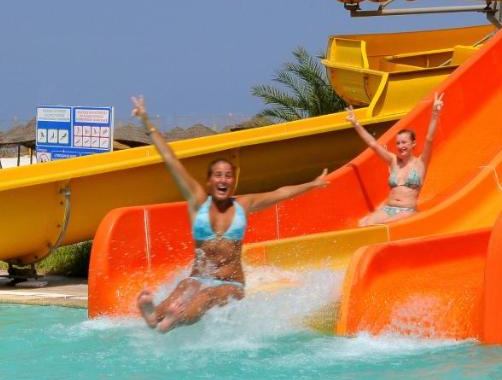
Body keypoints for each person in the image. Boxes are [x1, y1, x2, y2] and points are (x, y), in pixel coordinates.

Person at [131, 95, 330, 332]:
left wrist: (312, 184)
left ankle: (174, 320)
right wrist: (146, 122)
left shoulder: (243, 205)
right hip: (198, 277)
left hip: (231, 284)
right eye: (218, 175)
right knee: (184, 287)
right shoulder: (198, 201)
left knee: (206, 296)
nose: (223, 180)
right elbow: (171, 161)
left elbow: (280, 193)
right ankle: (155, 316)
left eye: (228, 176)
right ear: (209, 181)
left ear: (233, 182)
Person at [346, 93, 444, 225]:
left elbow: (429, 139)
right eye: (398, 143)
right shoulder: (393, 161)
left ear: (413, 144)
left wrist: (435, 114)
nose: (400, 146)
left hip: (407, 211)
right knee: (364, 225)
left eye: (404, 142)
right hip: (388, 209)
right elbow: (373, 144)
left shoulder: (421, 163)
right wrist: (355, 123)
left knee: (381, 226)